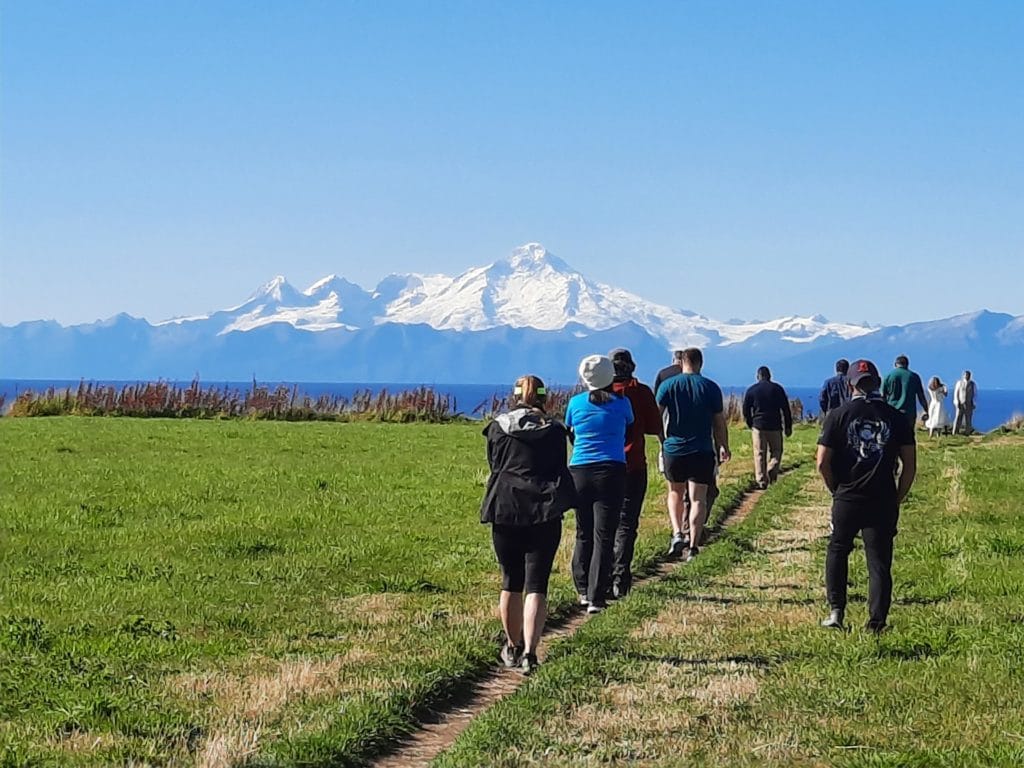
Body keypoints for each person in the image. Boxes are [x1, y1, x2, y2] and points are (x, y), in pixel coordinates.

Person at [481, 375, 575, 674]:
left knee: (511, 581)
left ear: (515, 397)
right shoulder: (555, 431)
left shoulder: (497, 427)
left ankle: (512, 645)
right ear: (545, 399)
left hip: (505, 506)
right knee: (537, 585)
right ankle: (531, 653)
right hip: (544, 509)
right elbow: (560, 466)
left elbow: (494, 465)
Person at [817, 359, 917, 633]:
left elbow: (821, 462)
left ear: (850, 384)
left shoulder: (837, 415)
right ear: (878, 383)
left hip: (847, 496)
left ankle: (836, 611)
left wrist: (835, 489)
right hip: (882, 497)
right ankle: (876, 622)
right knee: (879, 561)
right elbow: (910, 464)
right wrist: (899, 495)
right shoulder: (895, 418)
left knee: (838, 550)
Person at [565, 355, 634, 614]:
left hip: (579, 471)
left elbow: (571, 430)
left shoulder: (575, 403)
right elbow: (629, 427)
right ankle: (597, 595)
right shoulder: (622, 403)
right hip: (612, 470)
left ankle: (582, 588)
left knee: (583, 532)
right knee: (604, 535)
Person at [656, 347, 731, 561]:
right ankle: (694, 545)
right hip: (702, 449)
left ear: (681, 362)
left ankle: (677, 532)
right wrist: (723, 445)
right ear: (701, 363)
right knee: (698, 499)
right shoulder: (711, 387)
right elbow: (719, 422)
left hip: (674, 449)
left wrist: (663, 440)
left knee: (675, 493)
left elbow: (656, 418)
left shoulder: (667, 386)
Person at [609, 348, 663, 598]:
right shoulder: (640, 393)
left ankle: (599, 578)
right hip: (633, 465)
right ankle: (621, 577)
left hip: (602, 466)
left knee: (601, 524)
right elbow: (655, 426)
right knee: (626, 524)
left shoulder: (594, 397)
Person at [742, 366, 794, 489]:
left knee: (759, 452)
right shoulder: (777, 389)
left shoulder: (752, 390)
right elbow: (786, 409)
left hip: (758, 426)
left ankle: (761, 480)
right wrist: (788, 426)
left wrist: (750, 423)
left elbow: (745, 410)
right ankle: (771, 468)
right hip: (775, 426)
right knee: (776, 451)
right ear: (770, 376)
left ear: (757, 376)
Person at [882, 355, 928, 430]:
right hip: (909, 413)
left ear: (895, 364)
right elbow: (921, 397)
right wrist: (927, 410)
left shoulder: (888, 376)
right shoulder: (914, 377)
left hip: (892, 411)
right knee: (909, 436)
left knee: (893, 435)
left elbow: (882, 396)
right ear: (907, 364)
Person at [954, 370, 978, 436]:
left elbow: (975, 394)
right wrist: (957, 402)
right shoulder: (959, 383)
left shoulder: (973, 384)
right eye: (965, 375)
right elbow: (956, 393)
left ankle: (967, 433)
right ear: (963, 375)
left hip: (969, 404)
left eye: (968, 375)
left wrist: (974, 403)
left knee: (968, 419)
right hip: (960, 403)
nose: (967, 376)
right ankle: (955, 432)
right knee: (958, 418)